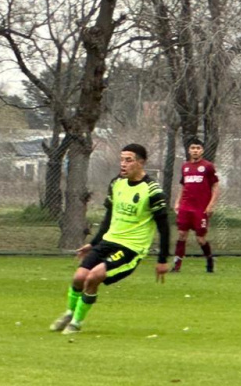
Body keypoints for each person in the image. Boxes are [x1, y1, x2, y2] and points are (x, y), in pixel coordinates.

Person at [50, 143, 170, 335]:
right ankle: (69, 314)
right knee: (79, 277)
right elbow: (108, 218)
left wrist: (162, 260)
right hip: (109, 241)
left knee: (93, 277)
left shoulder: (152, 190)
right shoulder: (117, 183)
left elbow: (164, 227)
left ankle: (76, 323)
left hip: (131, 247)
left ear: (141, 163)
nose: (123, 164)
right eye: (122, 160)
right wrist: (93, 243)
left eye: (128, 160)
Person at [171, 138, 220, 273]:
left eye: (198, 148)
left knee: (200, 239)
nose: (195, 151)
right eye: (193, 148)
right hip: (185, 207)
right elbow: (183, 186)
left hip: (200, 208)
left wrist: (211, 205)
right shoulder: (185, 166)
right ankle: (176, 266)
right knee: (182, 234)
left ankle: (209, 260)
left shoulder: (208, 167)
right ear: (189, 150)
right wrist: (177, 202)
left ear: (202, 151)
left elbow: (215, 186)